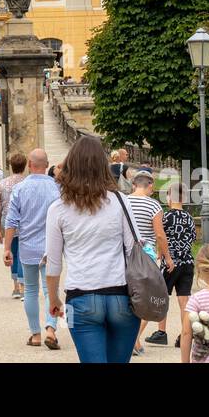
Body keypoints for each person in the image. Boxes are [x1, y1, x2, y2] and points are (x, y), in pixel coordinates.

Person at [45, 135, 140, 364]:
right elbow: (134, 250)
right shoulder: (120, 201)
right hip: (121, 296)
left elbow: (53, 264)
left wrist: (54, 298)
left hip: (81, 297)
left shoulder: (58, 209)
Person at [4, 149, 61, 347]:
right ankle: (51, 330)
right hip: (51, 247)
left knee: (30, 290)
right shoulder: (56, 188)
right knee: (49, 290)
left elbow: (11, 221)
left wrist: (7, 248)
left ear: (29, 164)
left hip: (28, 246)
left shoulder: (20, 189)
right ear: (46, 165)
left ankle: (35, 334)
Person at [124, 167, 173, 355]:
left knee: (128, 296)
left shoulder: (124, 202)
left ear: (134, 184)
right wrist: (167, 257)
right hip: (146, 255)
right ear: (150, 186)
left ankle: (130, 339)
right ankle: (134, 339)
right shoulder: (154, 206)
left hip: (127, 254)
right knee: (145, 298)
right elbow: (160, 235)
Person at [147, 182, 196, 347]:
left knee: (162, 297)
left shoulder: (166, 217)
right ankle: (185, 334)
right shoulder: (190, 218)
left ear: (169, 197)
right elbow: (192, 239)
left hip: (170, 263)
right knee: (184, 300)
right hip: (187, 262)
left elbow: (161, 237)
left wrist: (161, 255)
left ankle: (161, 332)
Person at [0, 153, 28, 299]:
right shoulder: (28, 183)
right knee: (22, 254)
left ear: (10, 166)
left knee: (11, 251)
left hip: (8, 222)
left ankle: (15, 286)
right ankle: (23, 286)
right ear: (25, 166)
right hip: (25, 221)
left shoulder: (3, 184)